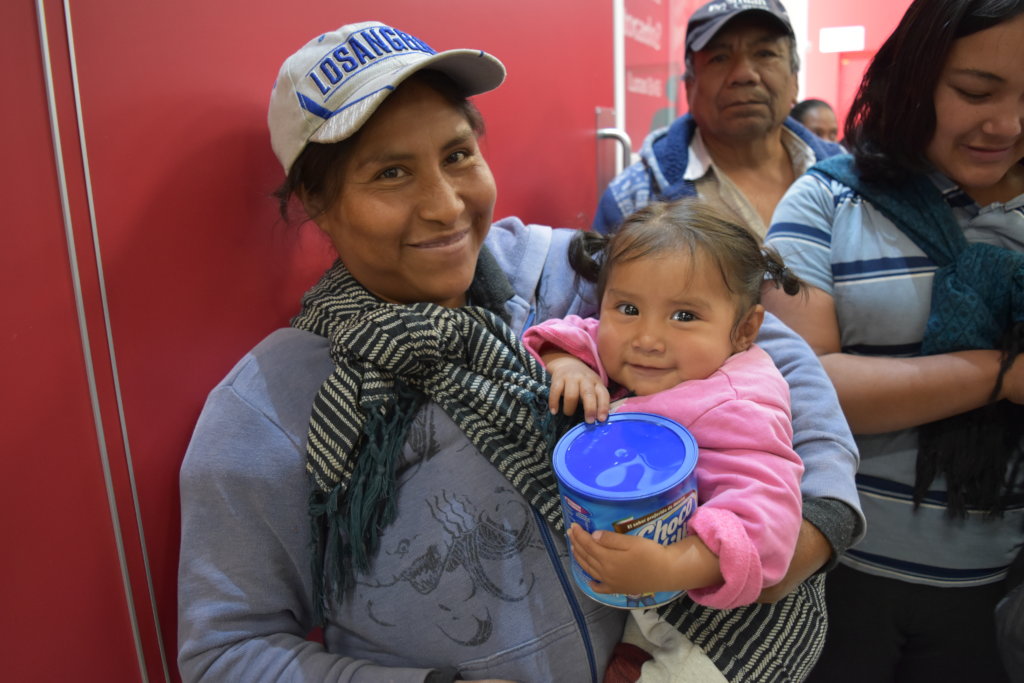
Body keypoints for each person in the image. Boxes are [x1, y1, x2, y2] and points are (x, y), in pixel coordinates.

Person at [176, 20, 864, 683]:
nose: (445, 206)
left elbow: (773, 355)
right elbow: (228, 650)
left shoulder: (569, 273)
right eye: (390, 173)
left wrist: (816, 526)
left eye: (457, 155)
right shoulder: (269, 406)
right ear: (317, 203)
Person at [763, 1, 1024, 680]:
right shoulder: (826, 200)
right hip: (837, 570)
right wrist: (1000, 374)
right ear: (912, 79)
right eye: (976, 92)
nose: (1008, 125)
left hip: (995, 588)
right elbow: (803, 387)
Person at [522, 199, 806, 681]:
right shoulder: (653, 357)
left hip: (724, 626)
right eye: (628, 308)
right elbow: (579, 333)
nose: (647, 338)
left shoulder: (740, 404)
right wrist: (566, 363)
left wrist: (673, 565)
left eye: (684, 316)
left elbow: (770, 524)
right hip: (648, 607)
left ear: (744, 330)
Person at [592, 0, 844, 238]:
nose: (744, 74)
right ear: (690, 87)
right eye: (720, 58)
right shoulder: (635, 197)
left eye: (765, 53)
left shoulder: (849, 179)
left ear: (794, 80)